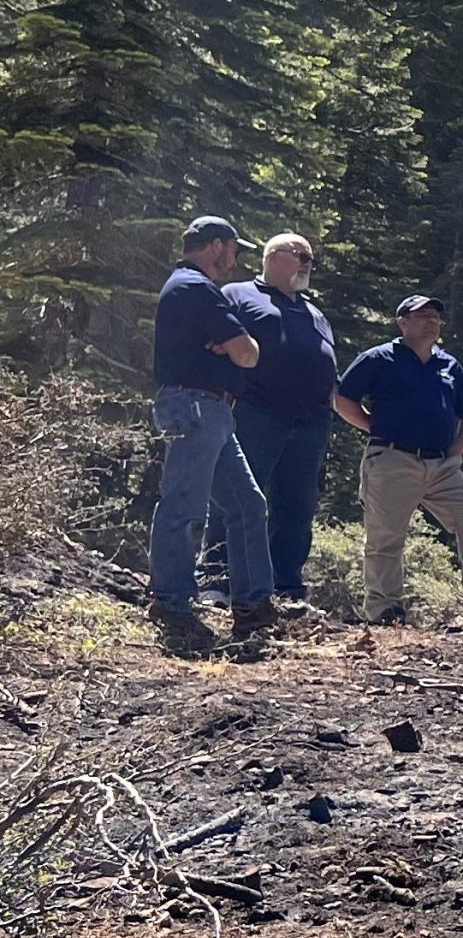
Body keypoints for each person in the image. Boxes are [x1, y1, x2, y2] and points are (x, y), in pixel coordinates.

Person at [146, 217, 302, 653]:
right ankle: (172, 601)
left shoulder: (189, 287)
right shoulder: (194, 287)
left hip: (208, 409)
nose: (235, 259)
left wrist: (232, 344)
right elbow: (248, 354)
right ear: (215, 246)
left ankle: (252, 605)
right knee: (182, 503)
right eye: (234, 249)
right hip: (197, 407)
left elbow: (241, 350)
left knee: (247, 503)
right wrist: (237, 343)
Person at [334, 294, 463, 642]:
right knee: (385, 537)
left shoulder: (448, 365)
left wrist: (457, 451)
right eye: (422, 316)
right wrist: (374, 426)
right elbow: (342, 398)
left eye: (436, 317)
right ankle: (385, 615)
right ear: (402, 322)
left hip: (441, 464)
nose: (431, 322)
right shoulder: (379, 358)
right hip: (393, 459)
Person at [216, 231, 338, 607]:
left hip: (310, 424)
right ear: (270, 257)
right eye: (300, 255)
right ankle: (218, 579)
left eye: (311, 260)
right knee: (236, 497)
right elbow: (217, 346)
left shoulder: (314, 312)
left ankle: (286, 586)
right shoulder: (238, 295)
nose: (307, 265)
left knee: (296, 508)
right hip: (256, 413)